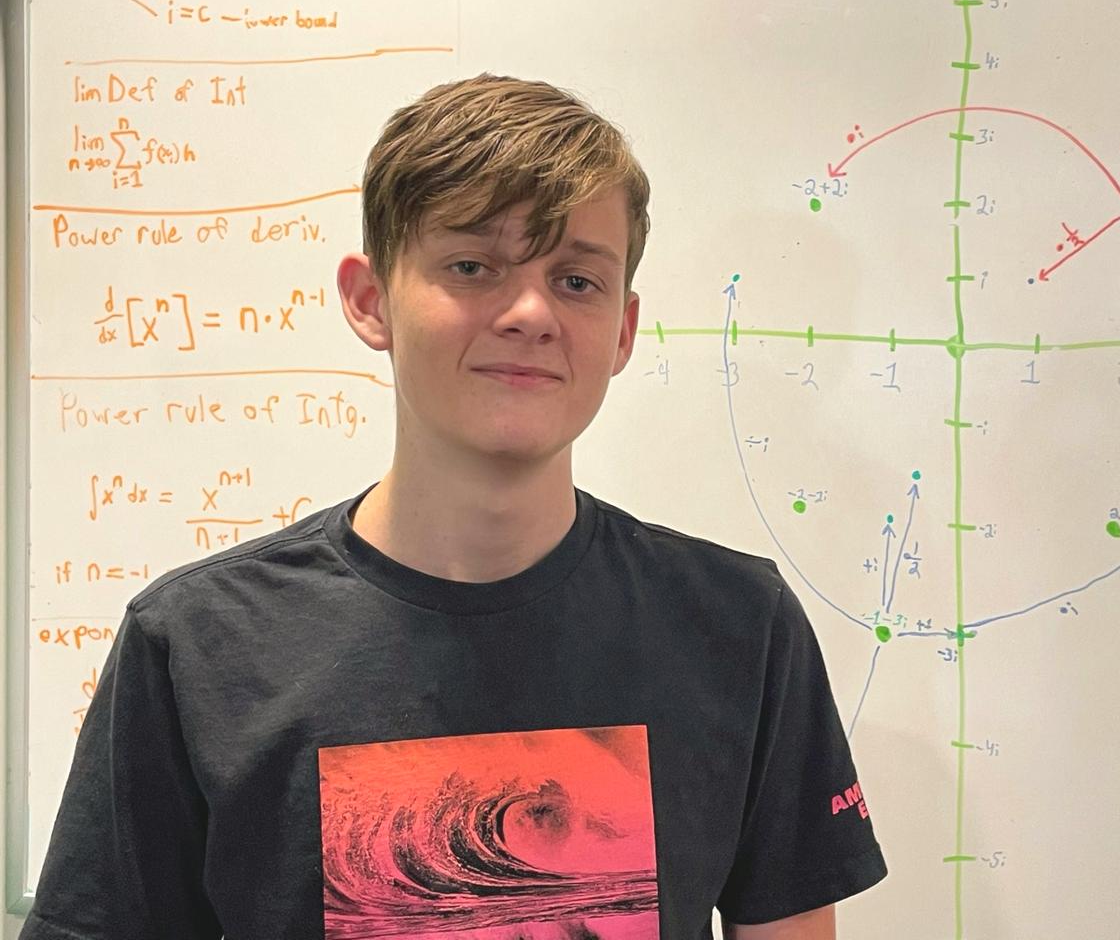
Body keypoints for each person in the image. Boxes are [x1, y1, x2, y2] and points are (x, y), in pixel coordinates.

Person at [22, 74, 887, 939]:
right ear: (370, 301)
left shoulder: (739, 627)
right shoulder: (197, 645)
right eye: (472, 267)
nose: (531, 312)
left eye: (576, 280)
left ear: (623, 332)